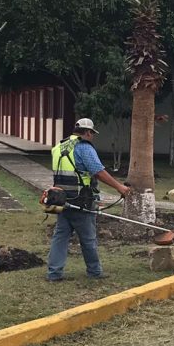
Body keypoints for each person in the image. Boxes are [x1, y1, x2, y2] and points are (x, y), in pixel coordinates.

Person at [46, 117, 130, 281]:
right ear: (87, 132)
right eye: (92, 133)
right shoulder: (84, 147)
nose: (92, 137)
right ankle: (94, 271)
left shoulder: (59, 146)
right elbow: (98, 172)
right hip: (81, 200)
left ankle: (54, 273)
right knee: (88, 238)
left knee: (60, 237)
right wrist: (119, 187)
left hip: (60, 199)